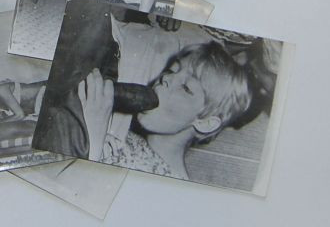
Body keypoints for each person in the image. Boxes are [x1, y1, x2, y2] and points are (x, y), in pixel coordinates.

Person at [78, 42, 252, 180]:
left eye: (185, 87)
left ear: (205, 122)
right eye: (171, 70)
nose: (166, 78)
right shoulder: (129, 141)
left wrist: (93, 144)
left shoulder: (169, 183)